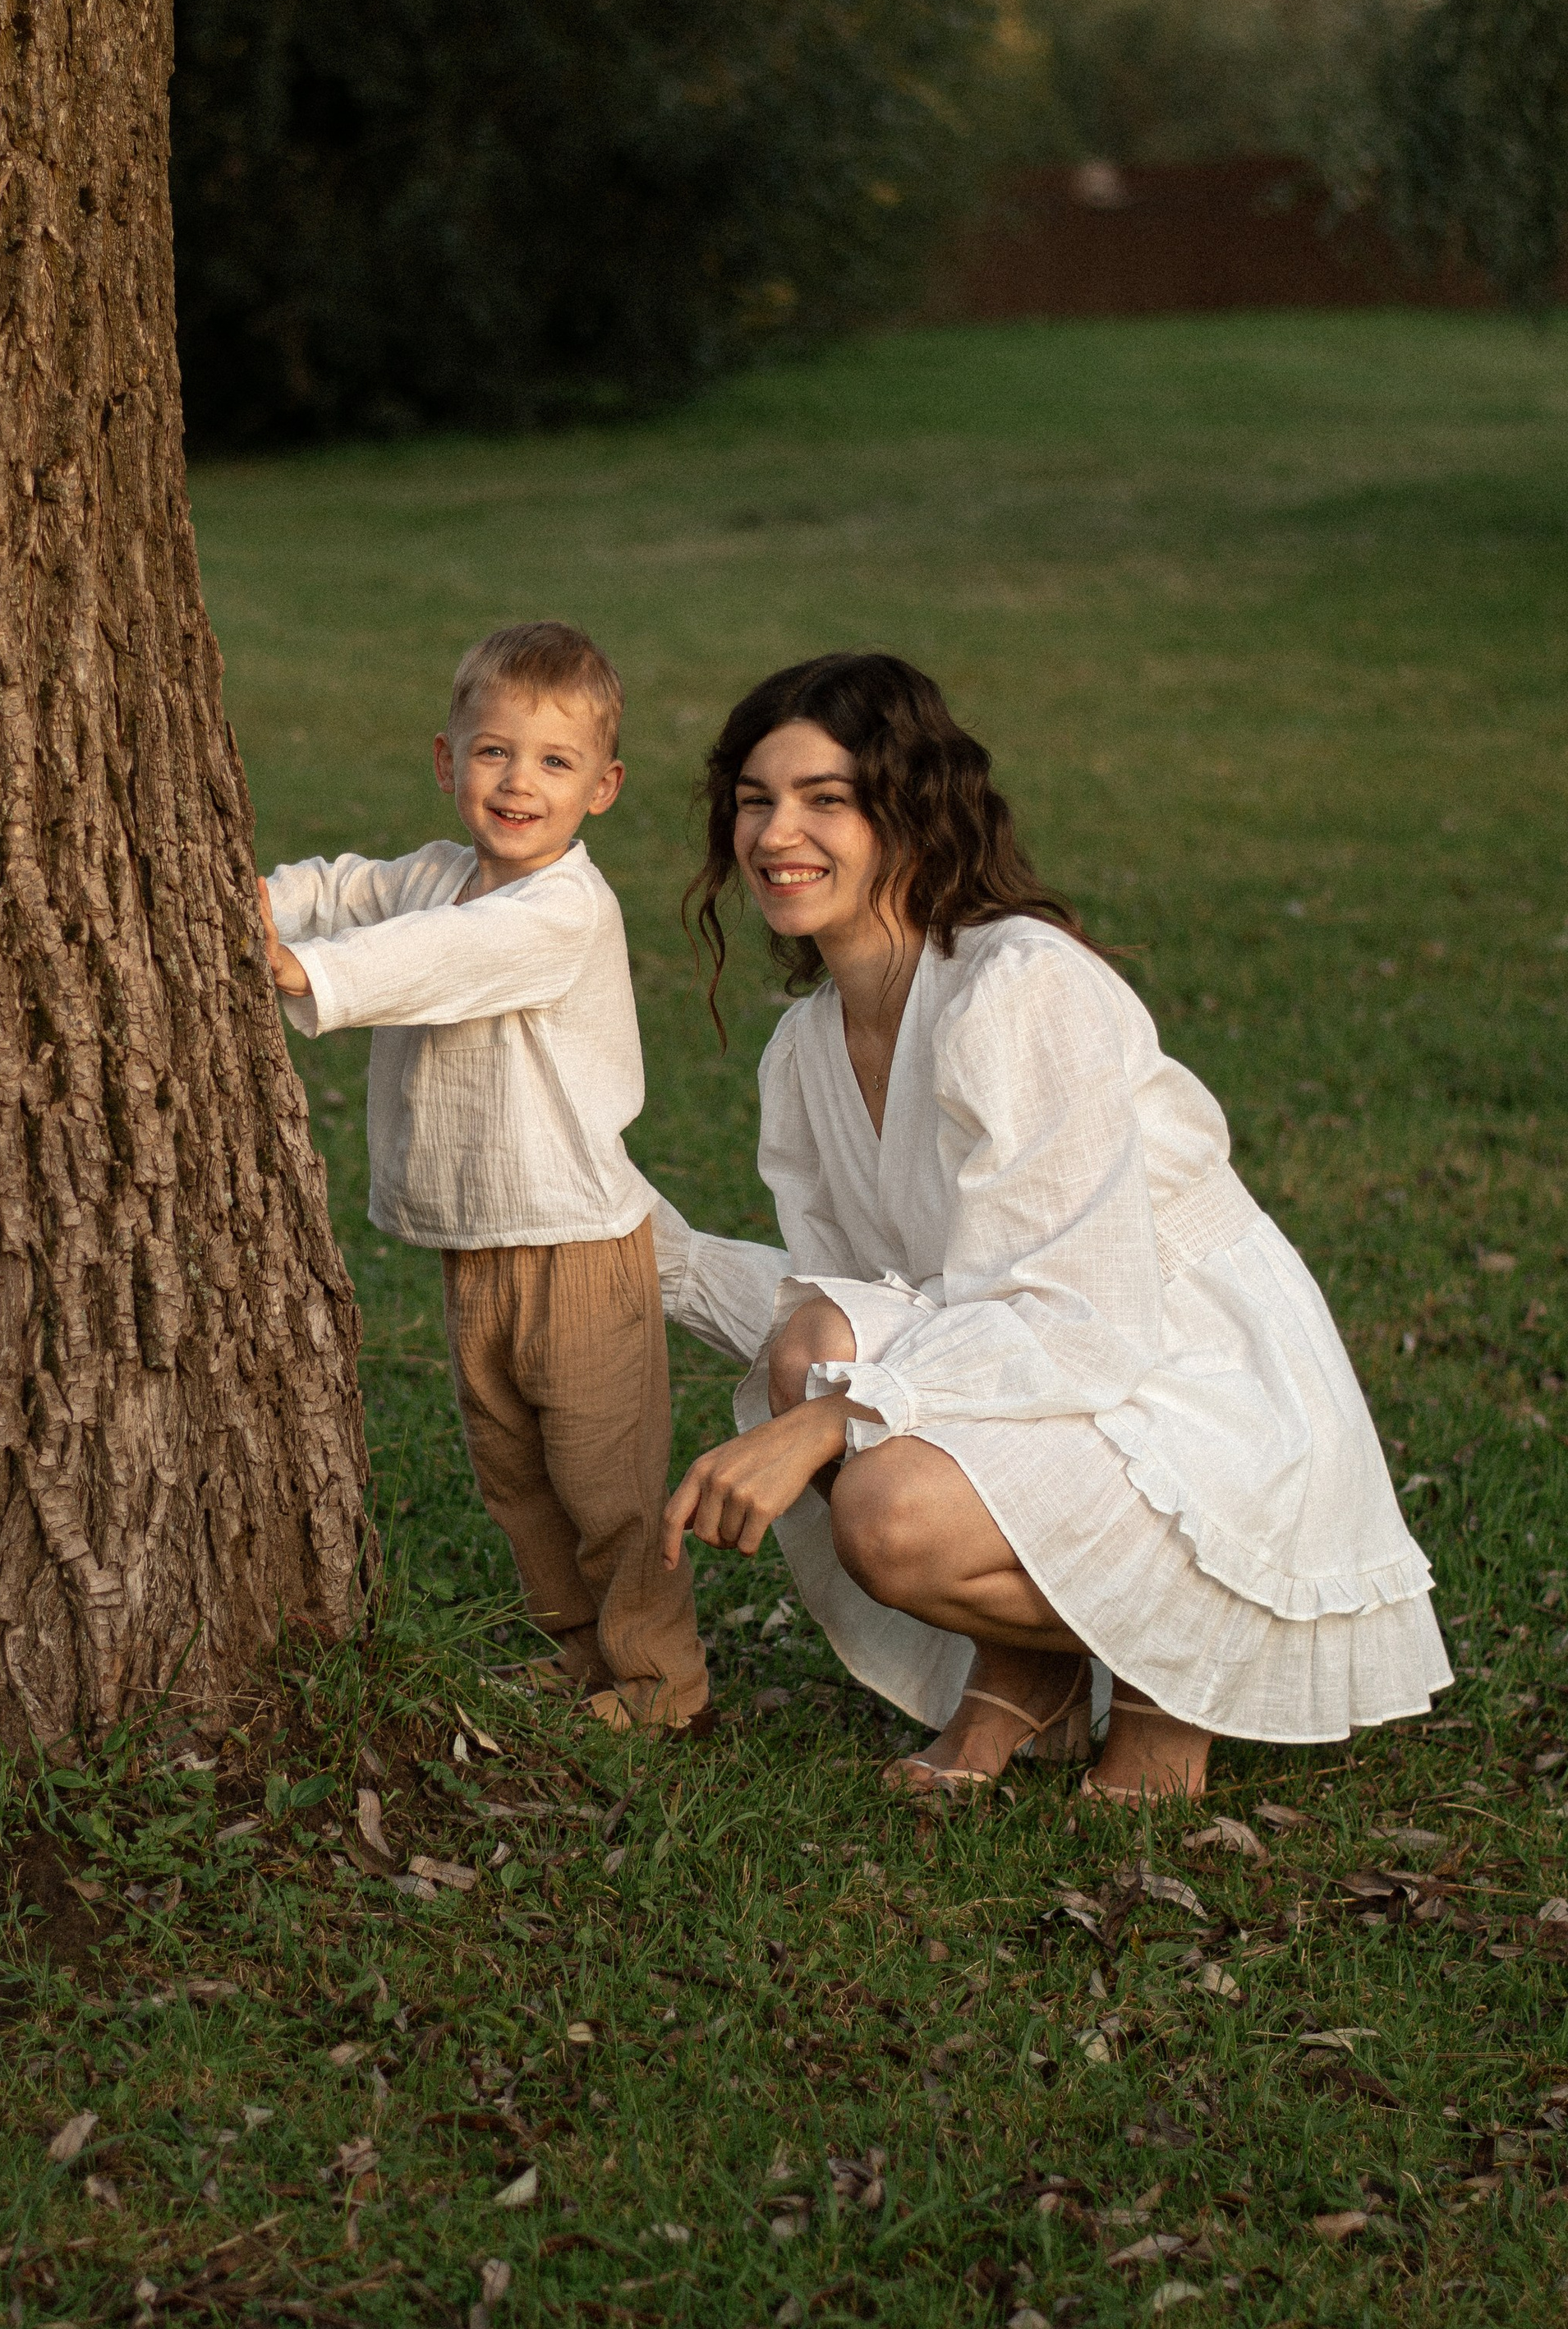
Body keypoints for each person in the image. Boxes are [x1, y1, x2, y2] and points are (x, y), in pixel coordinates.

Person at [651, 651, 1446, 1799]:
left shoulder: (1017, 988)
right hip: (1041, 1352)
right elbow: (868, 1293)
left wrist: (829, 1430)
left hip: (1183, 1375)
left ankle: (1175, 1675)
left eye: (828, 800)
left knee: (882, 1505)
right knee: (810, 1348)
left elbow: (1081, 1315)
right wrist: (649, 1257)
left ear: (912, 816)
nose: (779, 833)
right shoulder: (808, 1046)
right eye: (755, 800)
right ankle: (1035, 1672)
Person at [260, 621, 714, 1735]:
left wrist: (305, 972)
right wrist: (267, 902)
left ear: (602, 788)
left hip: (579, 1247)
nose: (519, 782)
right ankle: (577, 1653)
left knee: (605, 1484)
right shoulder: (439, 876)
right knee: (515, 1476)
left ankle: (663, 1688)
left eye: (555, 763)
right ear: (447, 761)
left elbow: (438, 960)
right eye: (494, 752)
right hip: (480, 1245)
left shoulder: (562, 910)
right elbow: (353, 891)